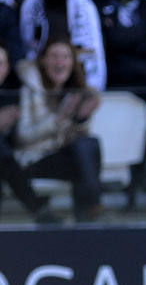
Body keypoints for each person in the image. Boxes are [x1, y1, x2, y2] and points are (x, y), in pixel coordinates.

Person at [14, 39, 102, 221]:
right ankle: (90, 212)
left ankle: (87, 212)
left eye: (65, 57)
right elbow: (22, 137)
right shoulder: (30, 90)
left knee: (90, 144)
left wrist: (80, 119)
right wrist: (58, 119)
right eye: (54, 56)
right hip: (34, 159)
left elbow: (77, 141)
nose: (60, 62)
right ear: (43, 61)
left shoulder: (74, 90)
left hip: (65, 156)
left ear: (72, 62)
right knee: (84, 154)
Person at [19, 0, 106, 90]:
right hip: (41, 66)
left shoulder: (84, 5)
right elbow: (27, 42)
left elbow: (93, 47)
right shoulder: (31, 3)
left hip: (76, 67)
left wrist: (94, 84)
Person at [0, 45, 58, 223]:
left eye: (1, 63)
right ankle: (36, 206)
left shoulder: (12, 95)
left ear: (8, 67)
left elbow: (23, 136)